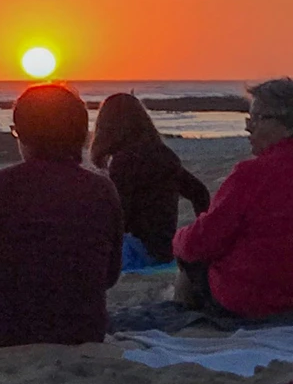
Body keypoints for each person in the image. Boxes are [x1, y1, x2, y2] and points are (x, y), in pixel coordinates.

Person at [172, 77, 293, 318]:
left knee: (190, 260)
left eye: (258, 118)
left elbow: (199, 244)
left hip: (258, 303)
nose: (249, 127)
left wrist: (178, 238)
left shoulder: (251, 175)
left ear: (289, 126)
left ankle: (182, 313)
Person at [0, 84, 124, 347]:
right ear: (80, 135)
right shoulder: (102, 189)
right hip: (82, 329)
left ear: (23, 137)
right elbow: (110, 275)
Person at [90, 92, 211, 269]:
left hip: (140, 250)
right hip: (164, 250)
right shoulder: (165, 155)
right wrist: (203, 236)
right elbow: (200, 193)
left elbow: (120, 216)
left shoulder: (124, 161)